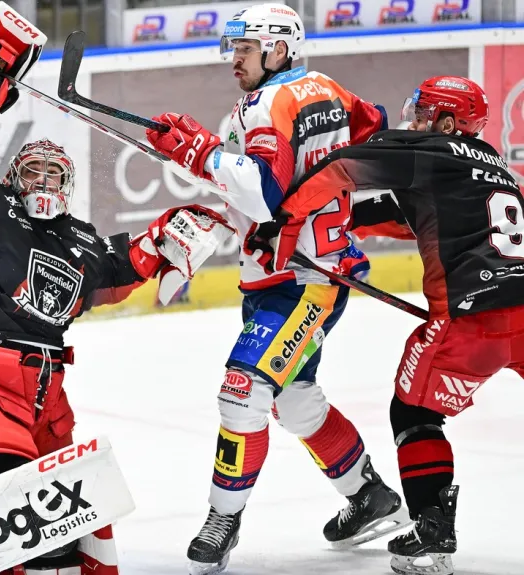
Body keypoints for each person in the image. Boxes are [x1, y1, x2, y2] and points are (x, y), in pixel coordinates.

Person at [0, 14, 232, 575]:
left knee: (86, 530)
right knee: (29, 524)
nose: (45, 184)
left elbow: (116, 272)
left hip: (45, 399)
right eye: (33, 174)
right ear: (13, 181)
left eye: (56, 176)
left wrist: (170, 234)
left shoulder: (78, 239)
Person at [143, 4, 406, 573]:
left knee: (243, 388)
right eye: (233, 47)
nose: (233, 58)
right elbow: (372, 128)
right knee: (295, 399)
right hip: (294, 270)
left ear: (279, 49)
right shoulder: (325, 88)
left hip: (305, 279)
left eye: (245, 48)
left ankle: (222, 518)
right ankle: (370, 497)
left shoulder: (264, 104)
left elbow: (261, 192)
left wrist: (200, 153)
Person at [267, 75, 522, 575]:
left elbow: (342, 168)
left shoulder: (431, 148)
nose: (415, 120)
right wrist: (347, 221)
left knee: (414, 415)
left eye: (425, 112)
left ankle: (431, 533)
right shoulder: (496, 168)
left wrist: (286, 219)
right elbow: (417, 215)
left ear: (448, 122)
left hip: (472, 321)